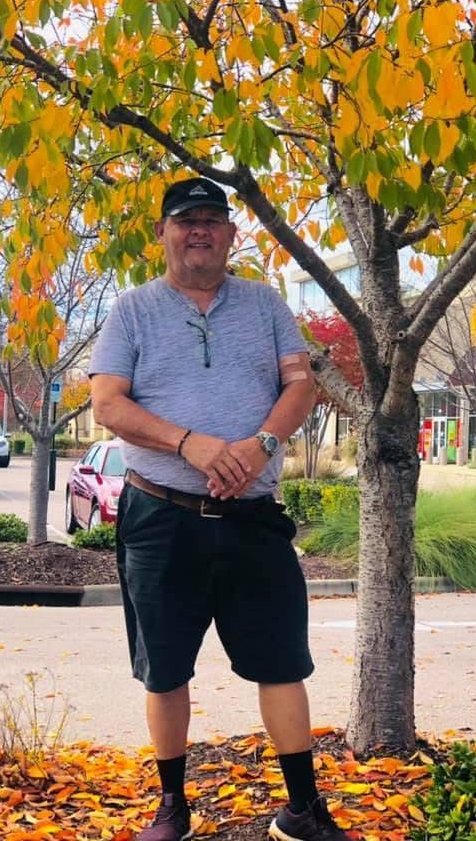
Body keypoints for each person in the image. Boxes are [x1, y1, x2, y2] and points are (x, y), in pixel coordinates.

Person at [89, 176, 351, 841]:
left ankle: (302, 810)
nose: (199, 230)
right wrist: (191, 444)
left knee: (282, 663)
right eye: (186, 220)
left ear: (232, 234)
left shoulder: (265, 305)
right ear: (163, 233)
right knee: (164, 670)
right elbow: (108, 404)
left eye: (212, 219)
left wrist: (262, 446)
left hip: (253, 519)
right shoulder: (132, 311)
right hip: (160, 517)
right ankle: (172, 807)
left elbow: (301, 384)